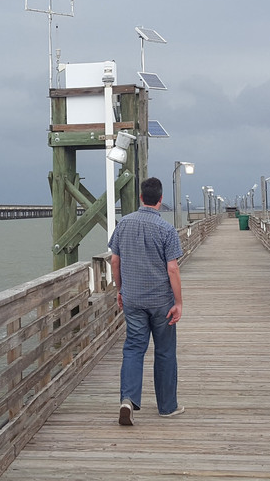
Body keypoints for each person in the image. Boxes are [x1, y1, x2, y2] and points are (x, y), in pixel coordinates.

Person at [109, 176, 184, 425]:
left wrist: (121, 290)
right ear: (160, 200)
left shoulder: (124, 224)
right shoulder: (166, 229)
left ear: (141, 198)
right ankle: (167, 407)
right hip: (161, 301)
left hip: (133, 299)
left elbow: (115, 261)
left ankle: (127, 399)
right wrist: (179, 302)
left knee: (133, 349)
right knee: (164, 352)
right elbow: (172, 268)